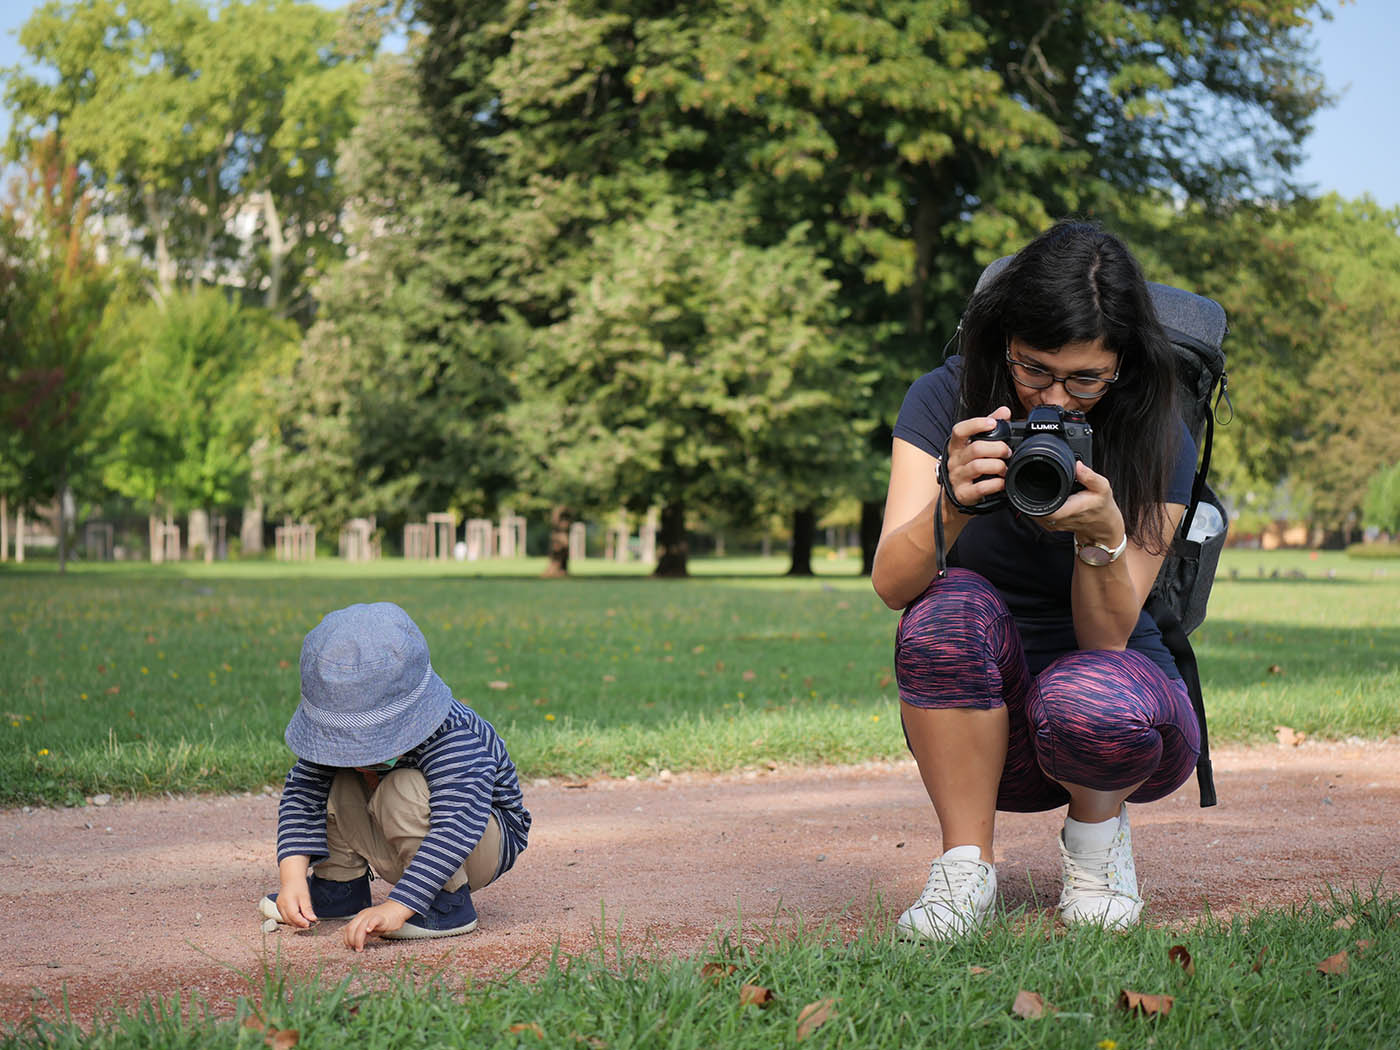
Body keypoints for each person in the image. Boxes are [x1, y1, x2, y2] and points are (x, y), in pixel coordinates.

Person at [871, 220, 1201, 940]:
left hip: (1123, 724)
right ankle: (964, 868)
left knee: (1087, 690)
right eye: (1033, 370)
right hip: (984, 730)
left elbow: (1106, 636)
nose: (1055, 397)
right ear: (1002, 343)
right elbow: (893, 584)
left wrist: (1103, 535)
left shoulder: (1157, 426)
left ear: (1123, 362)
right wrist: (953, 503)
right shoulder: (944, 398)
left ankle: (1095, 846)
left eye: (1086, 377)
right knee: (942, 609)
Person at [258, 601, 531, 951]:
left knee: (400, 788)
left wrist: (399, 906)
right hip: (413, 831)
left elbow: (457, 824)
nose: (356, 755)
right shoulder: (338, 747)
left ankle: (446, 903)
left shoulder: (454, 736)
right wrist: (292, 878)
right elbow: (303, 794)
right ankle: (340, 887)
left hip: (476, 838)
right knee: (334, 780)